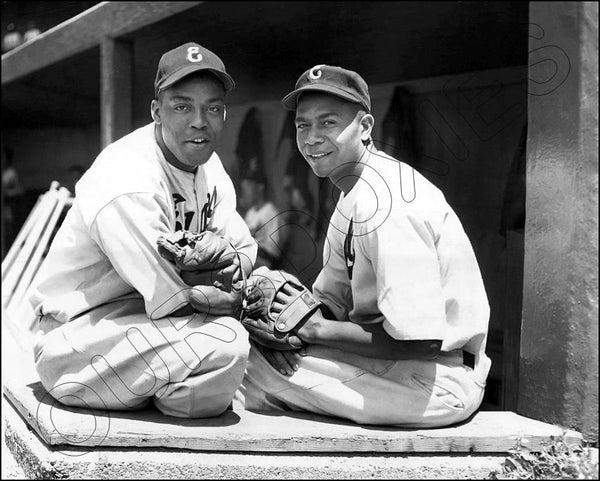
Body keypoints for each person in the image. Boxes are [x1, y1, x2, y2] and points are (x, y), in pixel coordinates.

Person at [237, 65, 491, 428]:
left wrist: (312, 331)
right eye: (303, 125)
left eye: (328, 123)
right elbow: (331, 306)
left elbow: (423, 341)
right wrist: (277, 317)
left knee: (235, 362)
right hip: (403, 370)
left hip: (438, 381)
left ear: (366, 126)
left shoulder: (388, 203)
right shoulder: (354, 192)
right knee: (247, 343)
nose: (311, 138)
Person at [29, 42, 257, 418]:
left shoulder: (209, 166)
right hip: (78, 338)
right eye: (182, 106)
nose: (199, 121)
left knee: (262, 338)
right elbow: (173, 300)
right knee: (227, 344)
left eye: (212, 108)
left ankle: (164, 393)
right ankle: (174, 400)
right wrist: (232, 298)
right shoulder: (128, 177)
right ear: (156, 112)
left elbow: (243, 248)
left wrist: (235, 275)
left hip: (141, 326)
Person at [239, 173, 283, 269]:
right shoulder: (251, 212)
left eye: (248, 187)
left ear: (260, 187)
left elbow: (274, 251)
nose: (245, 193)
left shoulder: (270, 211)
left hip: (266, 261)